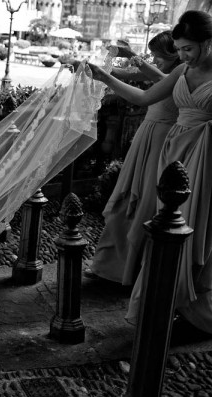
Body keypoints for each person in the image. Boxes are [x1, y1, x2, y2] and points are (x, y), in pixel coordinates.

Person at [88, 10, 212, 334]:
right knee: (164, 226)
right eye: (180, 49)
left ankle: (194, 309)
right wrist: (104, 77)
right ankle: (163, 301)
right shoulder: (184, 70)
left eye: (188, 49)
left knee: (196, 230)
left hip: (206, 156)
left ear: (208, 43)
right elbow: (143, 97)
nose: (183, 55)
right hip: (173, 153)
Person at [87, 31, 181, 285]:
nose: (154, 59)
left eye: (158, 55)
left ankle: (128, 267)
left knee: (142, 203)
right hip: (147, 138)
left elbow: (153, 85)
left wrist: (116, 67)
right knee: (127, 198)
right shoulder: (168, 71)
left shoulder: (181, 72)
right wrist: (100, 68)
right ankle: (111, 265)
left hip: (163, 143)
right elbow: (129, 75)